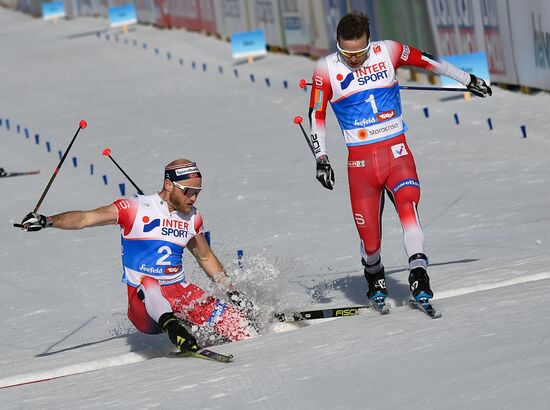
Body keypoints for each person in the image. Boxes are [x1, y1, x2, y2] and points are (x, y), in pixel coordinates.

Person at [307, 12, 492, 305]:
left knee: (409, 207)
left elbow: (428, 61)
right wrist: (321, 158)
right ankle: (374, 271)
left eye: (359, 52)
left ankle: (418, 271)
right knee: (371, 243)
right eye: (346, 53)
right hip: (361, 165)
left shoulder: (388, 50)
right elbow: (316, 114)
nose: (354, 59)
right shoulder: (325, 68)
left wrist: (467, 79)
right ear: (338, 46)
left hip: (397, 154)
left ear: (369, 42)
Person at [19, 159, 257, 352]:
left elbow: (205, 257)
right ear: (169, 184)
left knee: (242, 329)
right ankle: (173, 327)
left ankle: (207, 326)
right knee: (150, 283)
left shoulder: (192, 218)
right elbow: (85, 218)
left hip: (180, 293)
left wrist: (233, 292)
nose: (193, 198)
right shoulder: (133, 208)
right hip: (143, 305)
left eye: (197, 192)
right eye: (188, 191)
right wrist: (48, 221)